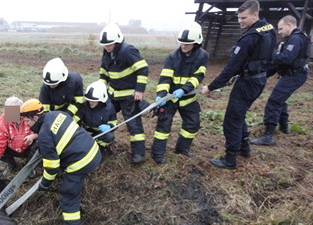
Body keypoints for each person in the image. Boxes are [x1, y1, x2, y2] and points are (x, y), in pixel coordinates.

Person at [202, 0, 276, 169]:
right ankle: (244, 148)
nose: (240, 21)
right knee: (240, 114)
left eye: (243, 18)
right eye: (238, 18)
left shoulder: (249, 37)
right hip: (258, 79)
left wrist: (211, 86)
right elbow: (262, 58)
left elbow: (231, 66)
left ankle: (230, 158)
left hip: (248, 83)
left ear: (255, 15)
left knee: (232, 119)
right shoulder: (268, 30)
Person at [20, 99, 102, 225]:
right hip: (93, 150)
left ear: (36, 118)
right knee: (72, 188)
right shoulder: (56, 114)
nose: (26, 124)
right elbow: (56, 134)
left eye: (27, 121)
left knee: (68, 194)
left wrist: (44, 184)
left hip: (81, 162)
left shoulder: (45, 137)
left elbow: (52, 167)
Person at [151, 22, 209, 164]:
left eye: (187, 44)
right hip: (170, 98)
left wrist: (184, 89)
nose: (183, 46)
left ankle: (182, 148)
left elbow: (198, 77)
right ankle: (157, 153)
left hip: (188, 98)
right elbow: (165, 77)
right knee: (163, 126)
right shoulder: (172, 56)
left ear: (196, 43)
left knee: (192, 124)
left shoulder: (203, 56)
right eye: (182, 43)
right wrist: (162, 94)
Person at [251, 15, 310, 146]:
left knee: (274, 100)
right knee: (280, 98)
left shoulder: (296, 38)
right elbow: (280, 64)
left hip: (295, 75)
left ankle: (268, 135)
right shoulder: (293, 38)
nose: (279, 32)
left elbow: (285, 58)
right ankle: (284, 127)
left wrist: (273, 56)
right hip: (293, 74)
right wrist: (263, 74)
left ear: (289, 25)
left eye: (281, 28)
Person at [98, 23, 149, 164]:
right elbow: (103, 72)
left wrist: (139, 90)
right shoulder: (107, 52)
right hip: (112, 94)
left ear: (118, 41)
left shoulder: (128, 50)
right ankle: (102, 146)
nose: (107, 47)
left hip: (128, 96)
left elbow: (143, 69)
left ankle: (138, 154)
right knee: (104, 118)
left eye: (110, 45)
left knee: (133, 124)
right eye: (105, 45)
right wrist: (101, 88)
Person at [0, 96, 39, 175]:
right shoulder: (3, 120)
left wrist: (33, 136)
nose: (10, 114)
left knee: (40, 142)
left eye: (13, 111)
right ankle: (11, 164)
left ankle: (29, 167)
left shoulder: (30, 115)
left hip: (29, 148)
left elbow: (43, 130)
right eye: (8, 111)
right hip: (13, 149)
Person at [39, 57, 85, 123]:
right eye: (49, 84)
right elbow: (44, 111)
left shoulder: (75, 81)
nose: (51, 86)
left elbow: (79, 102)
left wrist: (67, 114)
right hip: (53, 114)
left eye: (54, 84)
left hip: (71, 113)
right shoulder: (45, 87)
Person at [79, 80, 117, 153]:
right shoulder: (84, 106)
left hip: (100, 133)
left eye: (93, 101)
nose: (90, 103)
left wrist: (109, 126)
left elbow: (114, 122)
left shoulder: (109, 108)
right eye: (89, 100)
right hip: (85, 132)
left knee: (109, 137)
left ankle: (99, 149)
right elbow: (77, 119)